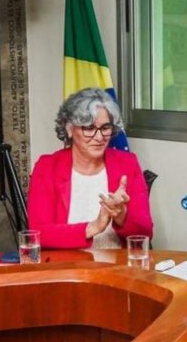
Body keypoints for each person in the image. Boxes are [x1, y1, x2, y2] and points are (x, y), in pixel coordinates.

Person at [27, 88, 152, 249]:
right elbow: (39, 234)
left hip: (117, 268)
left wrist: (122, 215)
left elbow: (145, 233)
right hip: (66, 269)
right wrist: (94, 226)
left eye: (105, 128)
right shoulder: (48, 167)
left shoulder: (127, 164)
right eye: (89, 128)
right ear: (70, 129)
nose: (99, 137)